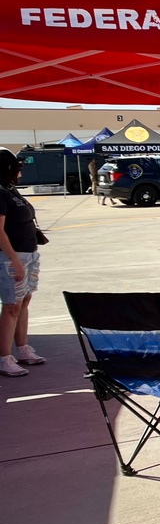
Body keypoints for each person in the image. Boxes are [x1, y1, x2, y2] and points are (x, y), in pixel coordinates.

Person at [0, 149, 45, 379]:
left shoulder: (10, 190)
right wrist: (14, 260)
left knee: (24, 301)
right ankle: (4, 358)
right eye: (16, 167)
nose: (20, 171)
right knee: (12, 306)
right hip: (12, 257)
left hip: (28, 254)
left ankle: (23, 348)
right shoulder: (0, 193)